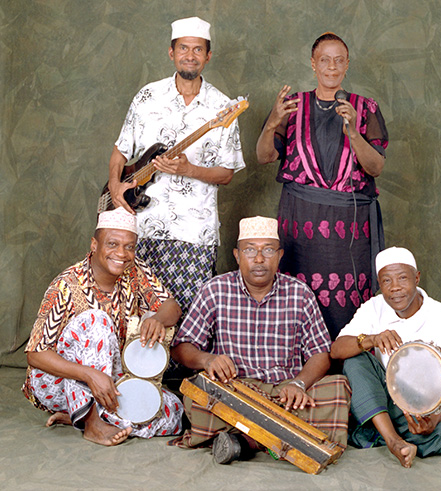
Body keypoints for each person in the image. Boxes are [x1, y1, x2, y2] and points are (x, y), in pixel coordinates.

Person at [168, 216, 351, 466]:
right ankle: (288, 438)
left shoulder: (300, 293)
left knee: (337, 388)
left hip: (286, 393)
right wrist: (207, 360)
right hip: (235, 391)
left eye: (268, 250)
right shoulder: (215, 290)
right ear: (237, 255)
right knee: (198, 395)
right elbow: (181, 347)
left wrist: (298, 384)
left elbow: (320, 353)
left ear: (279, 255)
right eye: (250, 250)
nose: (259, 259)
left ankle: (246, 441)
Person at [107, 16, 245, 317]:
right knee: (136, 312)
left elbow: (227, 173)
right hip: (141, 227)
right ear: (171, 52)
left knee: (190, 315)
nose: (190, 55)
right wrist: (115, 186)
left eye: (197, 49)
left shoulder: (223, 108)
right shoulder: (147, 97)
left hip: (195, 233)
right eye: (183, 48)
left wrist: (188, 170)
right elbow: (120, 152)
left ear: (208, 56)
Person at [256, 32, 388, 341]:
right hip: (300, 220)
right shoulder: (291, 106)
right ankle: (299, 360)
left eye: (339, 60)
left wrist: (353, 132)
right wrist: (272, 122)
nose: (332, 67)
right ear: (313, 64)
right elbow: (264, 156)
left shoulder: (365, 107)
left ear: (347, 64)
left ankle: (347, 361)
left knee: (349, 301)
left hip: (349, 227)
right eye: (325, 60)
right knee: (296, 294)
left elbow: (376, 167)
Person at [22, 207, 184, 446]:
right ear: (94, 245)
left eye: (129, 246)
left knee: (173, 412)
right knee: (95, 320)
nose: (122, 253)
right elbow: (35, 355)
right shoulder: (66, 285)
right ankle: (92, 422)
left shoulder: (134, 271)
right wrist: (89, 374)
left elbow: (172, 307)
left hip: (108, 379)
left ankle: (78, 414)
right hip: (58, 381)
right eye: (112, 244)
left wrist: (158, 318)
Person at [330, 247, 441, 468]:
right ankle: (393, 441)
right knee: (355, 359)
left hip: (427, 405)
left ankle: (375, 432)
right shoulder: (374, 307)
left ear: (417, 278)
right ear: (379, 284)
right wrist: (371, 339)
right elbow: (336, 350)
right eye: (386, 281)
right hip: (385, 397)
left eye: (403, 278)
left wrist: (433, 420)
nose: (395, 287)